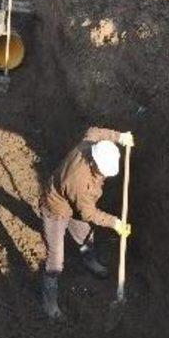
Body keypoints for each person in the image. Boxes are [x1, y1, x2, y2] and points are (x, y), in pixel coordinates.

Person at [39, 128, 134, 319]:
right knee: (56, 259)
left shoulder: (89, 145)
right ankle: (49, 301)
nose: (105, 177)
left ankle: (89, 260)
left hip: (72, 201)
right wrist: (114, 223)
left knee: (85, 235)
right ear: (95, 164)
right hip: (56, 208)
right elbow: (88, 212)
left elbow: (94, 131)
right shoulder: (81, 183)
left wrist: (119, 137)